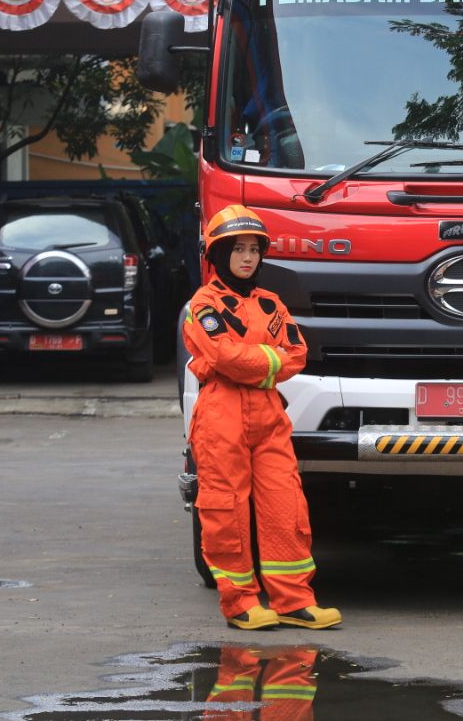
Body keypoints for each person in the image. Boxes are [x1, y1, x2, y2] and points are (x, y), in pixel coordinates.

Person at [182, 204, 341, 631]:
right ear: (217, 254)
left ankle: (293, 601)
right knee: (226, 508)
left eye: (254, 249)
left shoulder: (271, 304)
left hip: (268, 414)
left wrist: (253, 360)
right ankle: (240, 602)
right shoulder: (203, 305)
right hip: (222, 413)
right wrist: (268, 359)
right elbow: (222, 354)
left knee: (284, 506)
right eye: (237, 249)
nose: (248, 258)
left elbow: (297, 355)